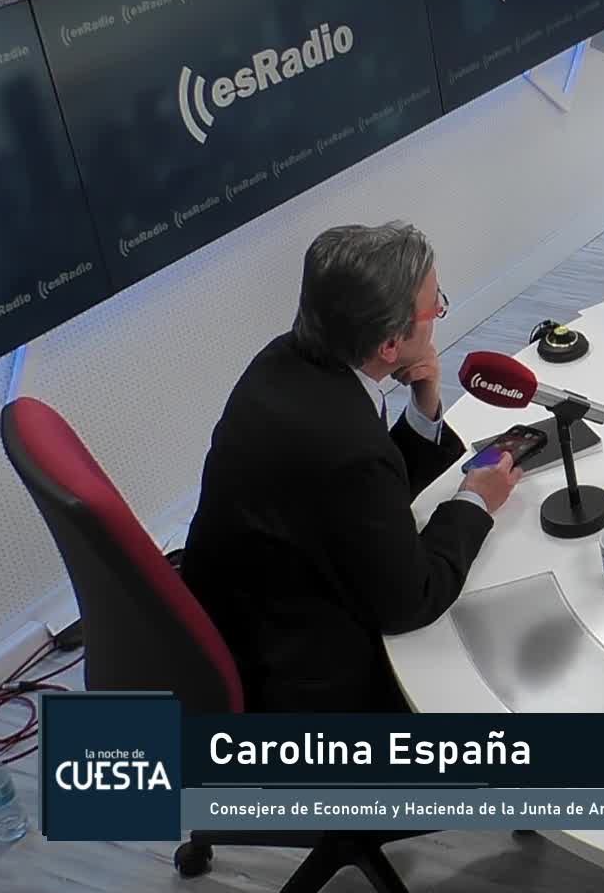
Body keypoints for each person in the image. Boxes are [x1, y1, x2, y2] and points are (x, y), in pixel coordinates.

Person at [181, 223, 521, 712]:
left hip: (237, 610)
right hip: (297, 674)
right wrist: (475, 501)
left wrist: (424, 406)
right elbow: (412, 599)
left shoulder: (282, 361)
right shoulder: (347, 446)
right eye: (434, 307)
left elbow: (361, 499)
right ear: (389, 345)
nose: (439, 315)